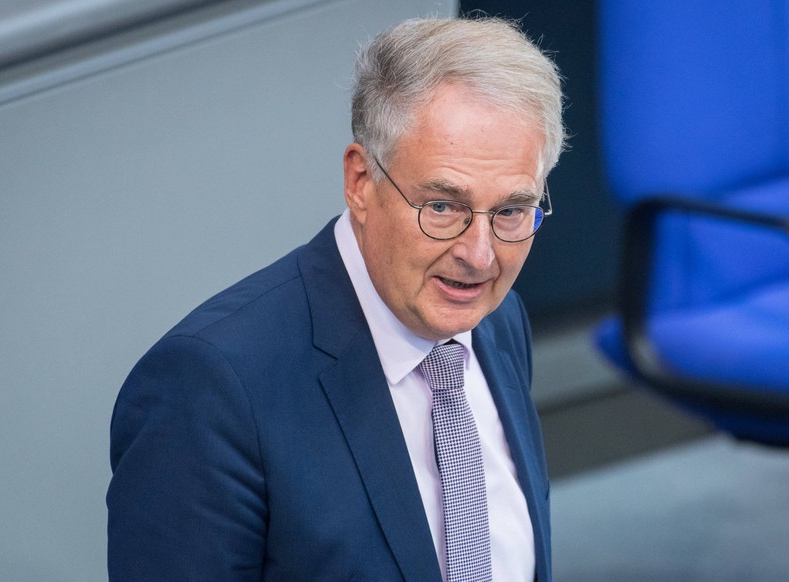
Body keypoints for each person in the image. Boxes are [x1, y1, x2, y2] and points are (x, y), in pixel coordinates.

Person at [107, 15, 565, 581]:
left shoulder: (496, 321)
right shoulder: (210, 388)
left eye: (511, 211)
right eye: (442, 207)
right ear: (360, 181)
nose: (480, 256)